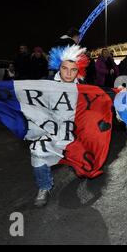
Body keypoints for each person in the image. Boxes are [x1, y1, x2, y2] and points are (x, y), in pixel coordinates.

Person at [32, 45, 90, 207]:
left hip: (76, 136)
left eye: (73, 70)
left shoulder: (85, 87)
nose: (69, 73)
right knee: (37, 151)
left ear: (78, 70)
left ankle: (76, 164)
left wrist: (117, 91)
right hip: (52, 133)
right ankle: (44, 186)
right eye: (65, 68)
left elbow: (102, 98)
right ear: (59, 67)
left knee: (87, 170)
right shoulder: (45, 85)